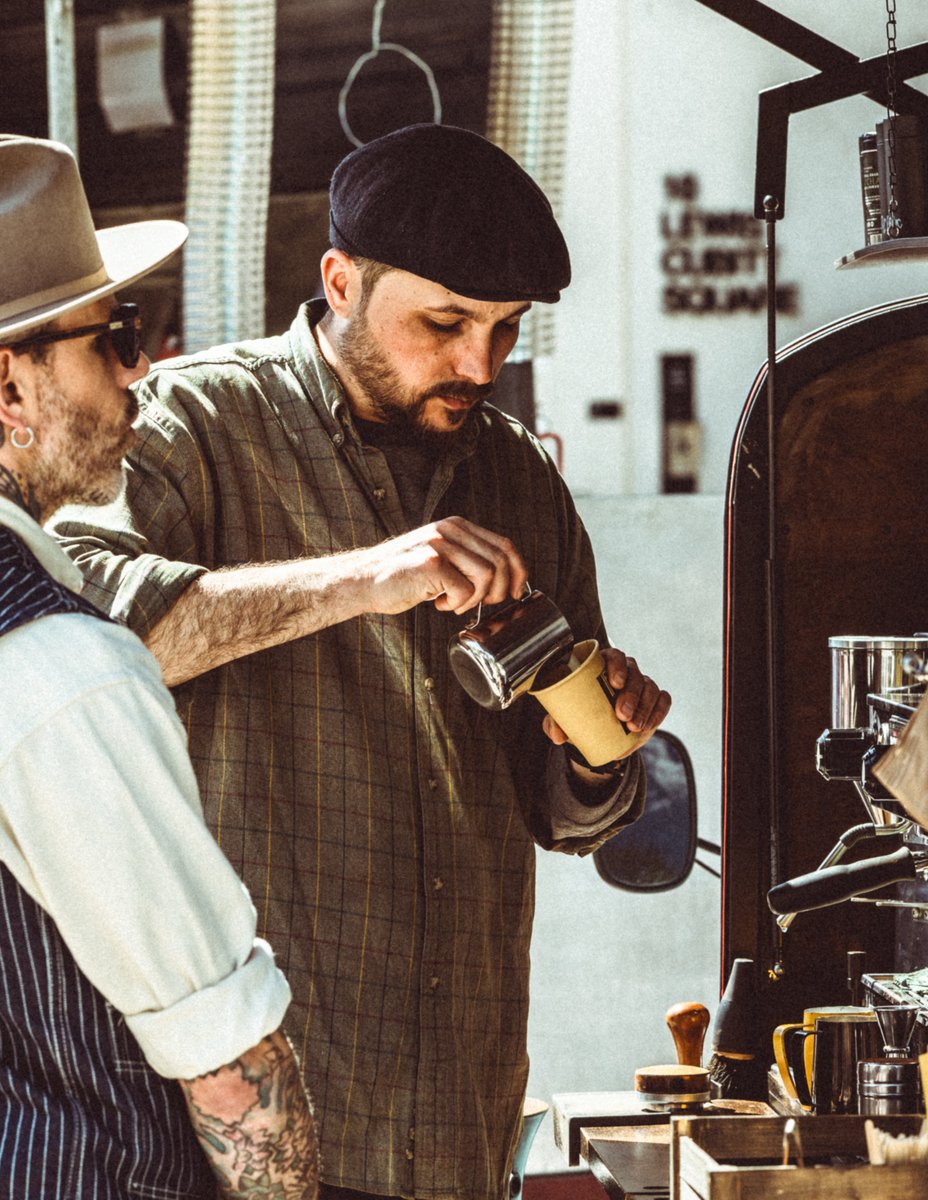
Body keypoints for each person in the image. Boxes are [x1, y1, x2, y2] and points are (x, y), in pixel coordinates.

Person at [51, 123, 671, 1200]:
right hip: (254, 1140)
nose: (481, 364)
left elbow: (568, 816)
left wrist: (598, 748)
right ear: (340, 282)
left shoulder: (522, 480)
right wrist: (364, 579)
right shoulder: (195, 424)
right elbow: (79, 629)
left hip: (459, 1126)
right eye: (444, 323)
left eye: (506, 331)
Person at [0, 134, 318, 1198]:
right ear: (8, 389)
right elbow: (231, 1071)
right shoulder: (58, 669)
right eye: (115, 336)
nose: (143, 366)